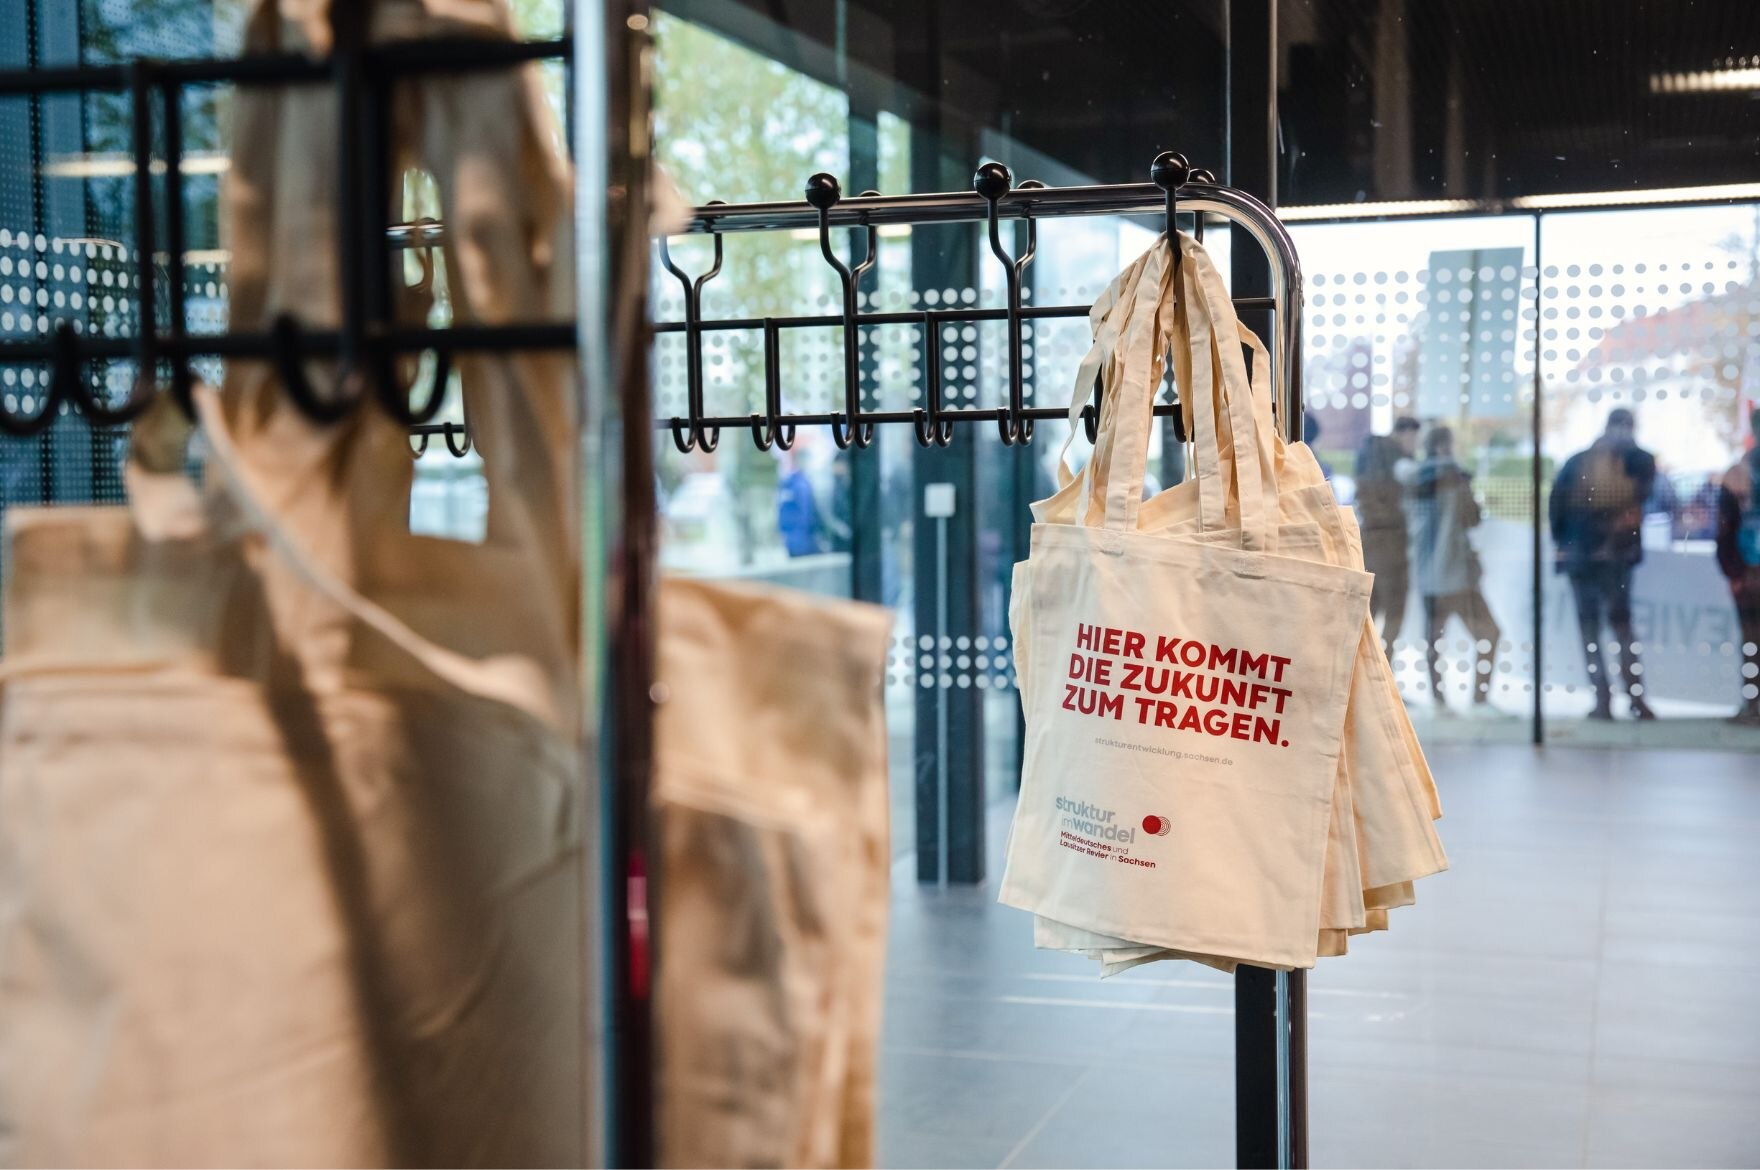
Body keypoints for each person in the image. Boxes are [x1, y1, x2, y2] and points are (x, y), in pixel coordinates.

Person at [1549, 408, 1658, 720]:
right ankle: (1635, 697)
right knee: (1622, 629)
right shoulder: (1639, 460)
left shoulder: (1576, 461)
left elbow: (1555, 508)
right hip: (1615, 557)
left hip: (1580, 557)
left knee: (1590, 631)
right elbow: (1644, 496)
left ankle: (1602, 700)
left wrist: (1564, 547)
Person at [1401, 425, 1501, 714]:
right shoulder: (1456, 478)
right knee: (1489, 633)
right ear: (1446, 446)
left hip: (1425, 573)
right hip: (1455, 573)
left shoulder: (1412, 479)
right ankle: (1479, 699)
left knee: (1434, 640)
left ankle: (1440, 701)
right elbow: (1472, 518)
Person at [1355, 416, 1421, 658]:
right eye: (1414, 437)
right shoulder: (1395, 460)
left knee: (1372, 607)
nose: (1415, 444)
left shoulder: (1372, 454)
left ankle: (1369, 669)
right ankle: (1382, 667)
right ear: (1404, 433)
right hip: (1390, 542)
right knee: (1393, 609)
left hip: (1373, 542)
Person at [1714, 407, 1760, 726]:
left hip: (1749, 569)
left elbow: (1725, 528)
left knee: (1753, 640)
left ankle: (1754, 704)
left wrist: (1733, 571)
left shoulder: (1740, 471)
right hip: (1748, 566)